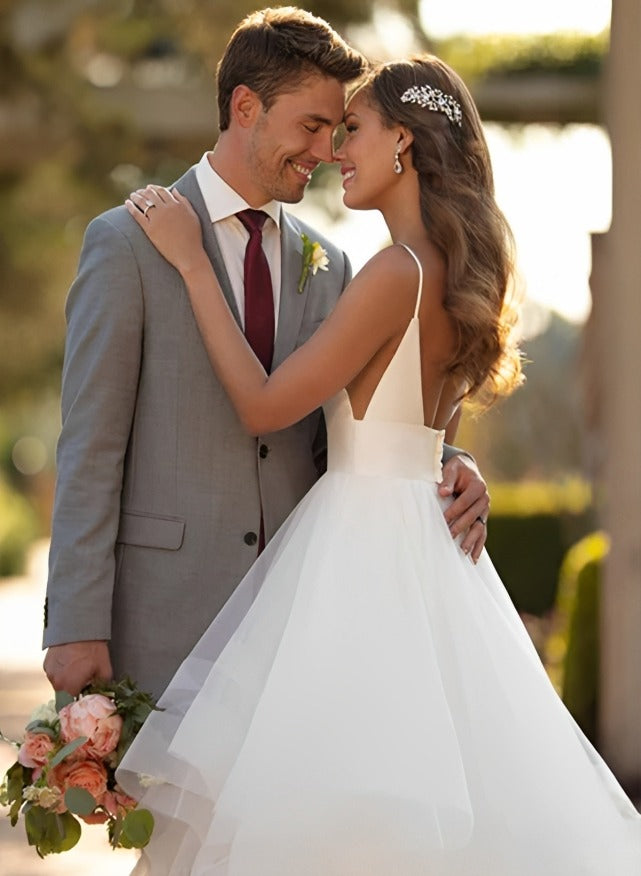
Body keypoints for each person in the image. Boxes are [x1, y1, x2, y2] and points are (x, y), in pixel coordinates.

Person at [117, 55, 641, 875]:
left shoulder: (394, 272)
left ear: (403, 140)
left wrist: (190, 263)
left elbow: (264, 405)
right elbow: (426, 436)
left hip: (358, 549)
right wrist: (462, 462)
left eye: (352, 130)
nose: (334, 153)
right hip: (428, 547)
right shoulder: (457, 271)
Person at [42, 8, 489, 703]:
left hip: (302, 624)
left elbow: (344, 426)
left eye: (340, 129)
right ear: (245, 107)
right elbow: (89, 446)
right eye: (312, 126)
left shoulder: (335, 264)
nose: (325, 149)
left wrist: (450, 463)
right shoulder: (125, 246)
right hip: (160, 620)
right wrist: (74, 624)